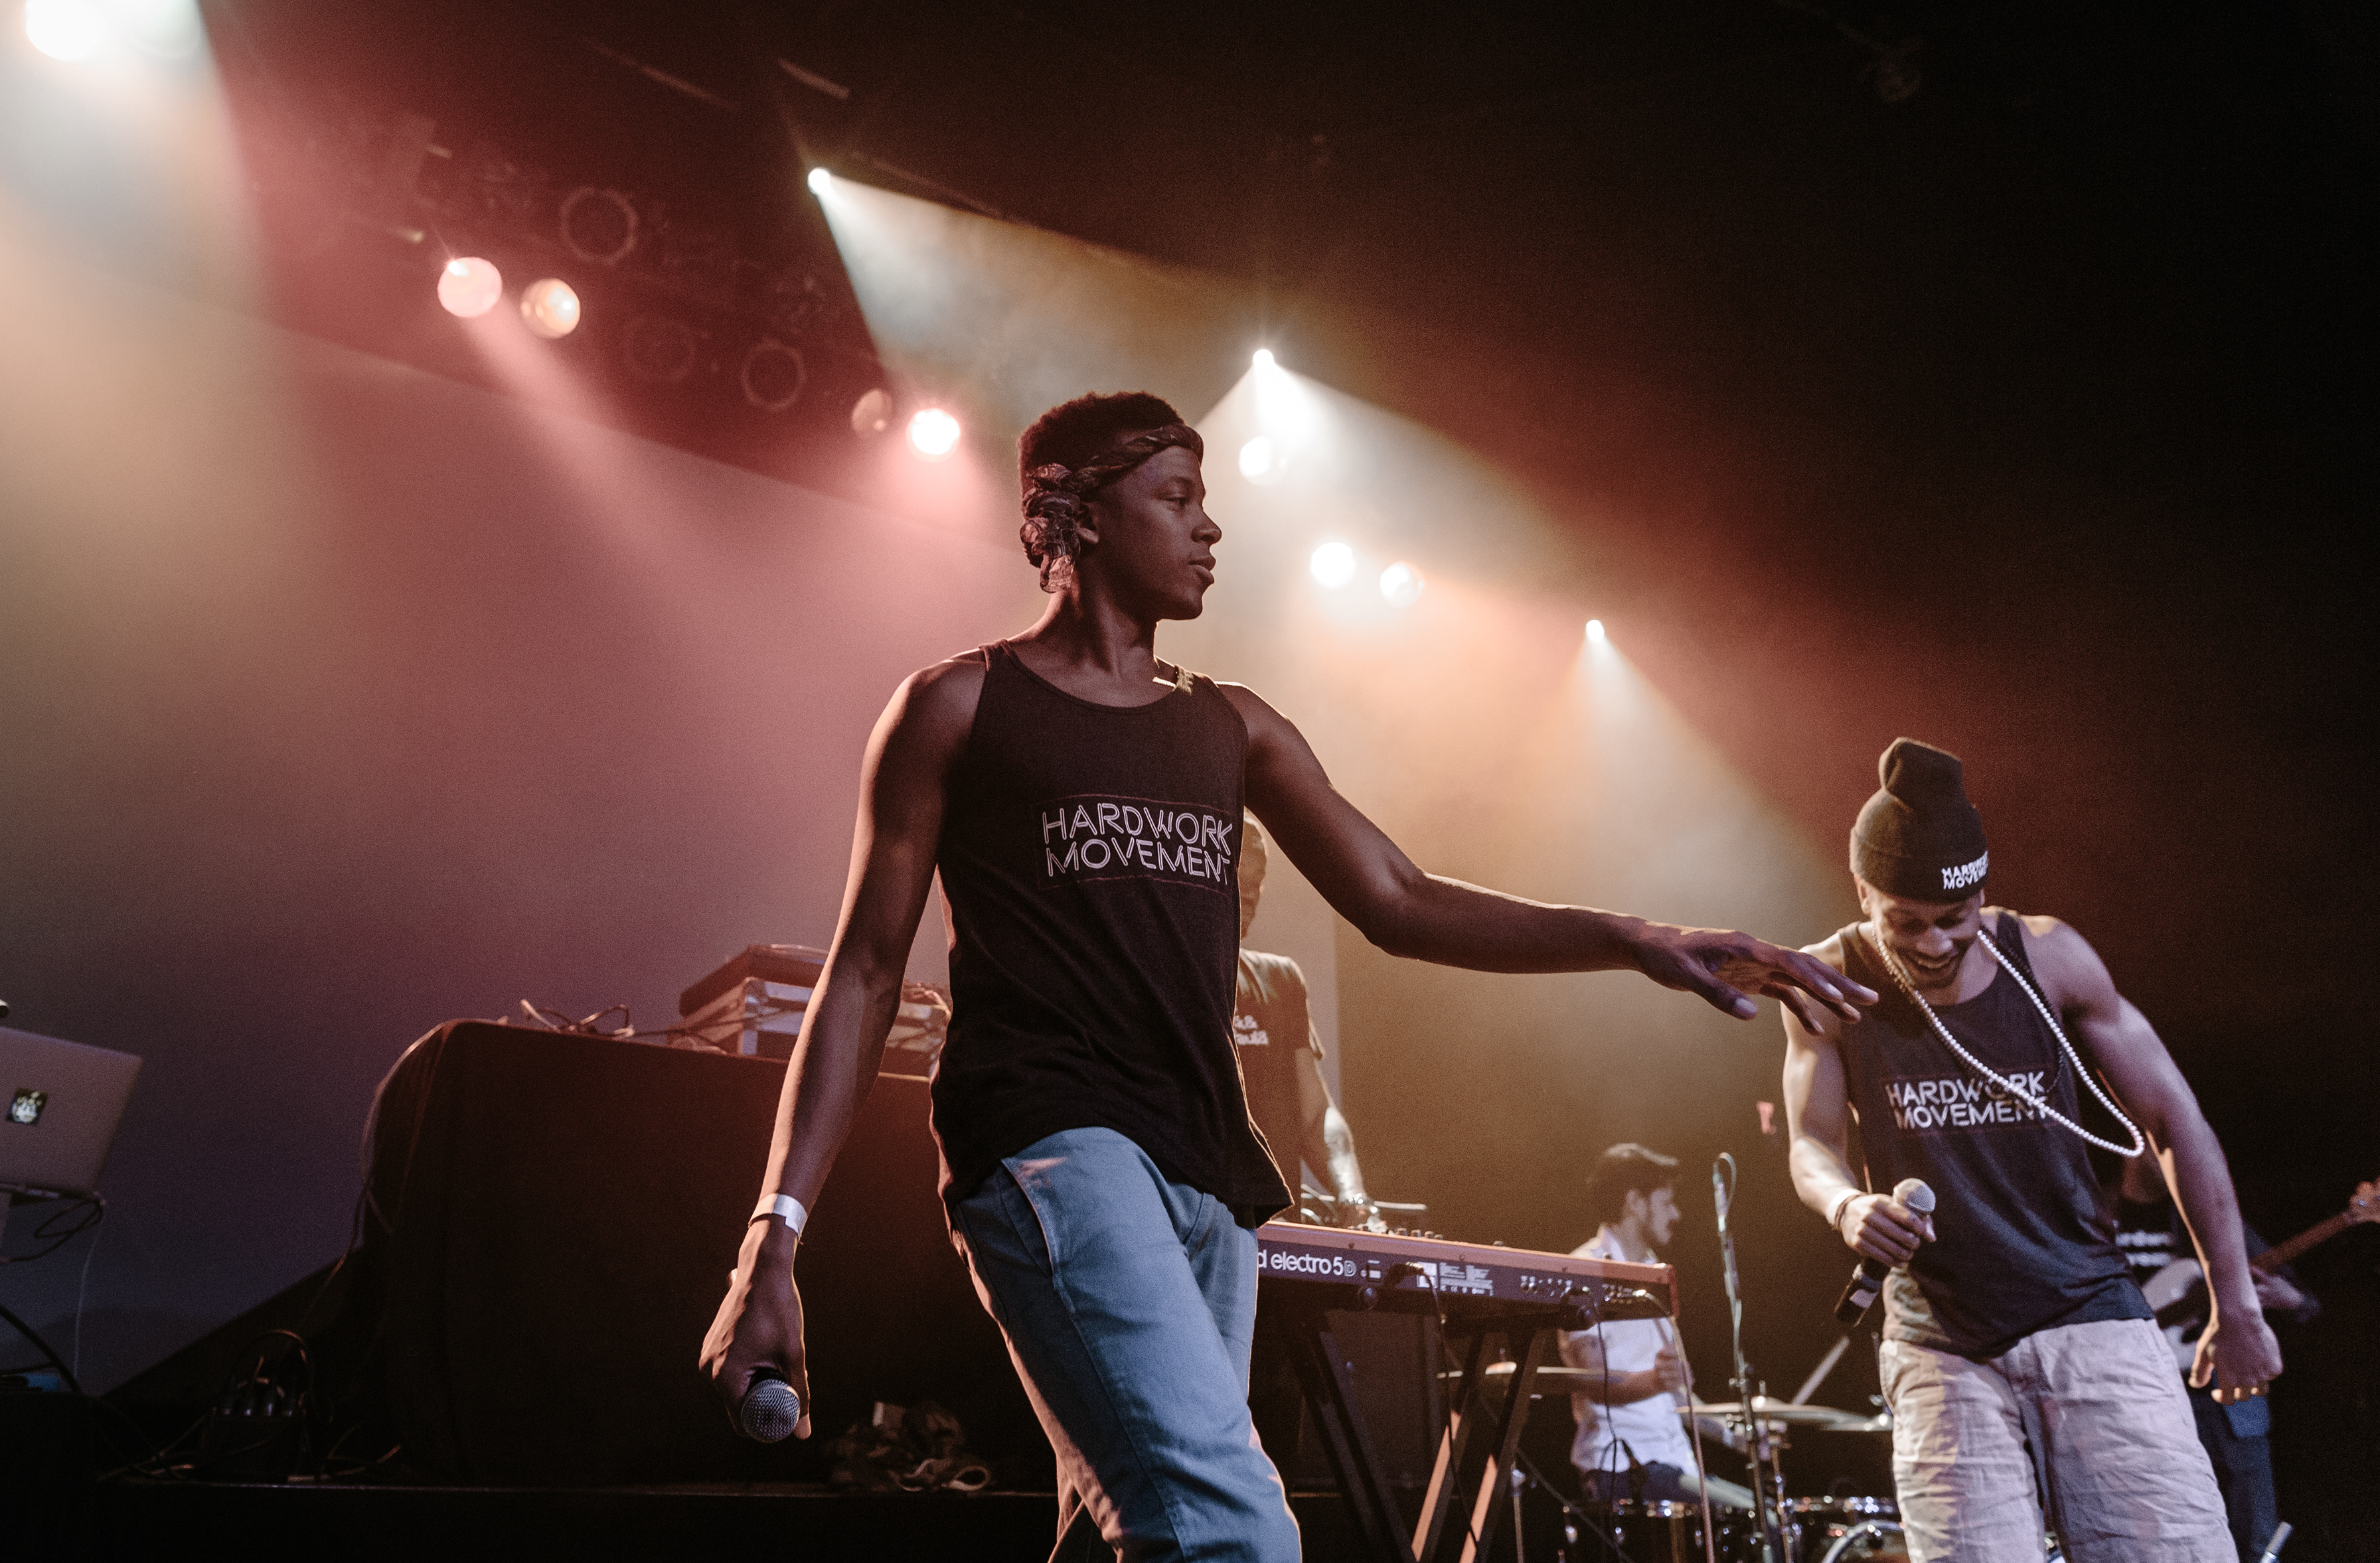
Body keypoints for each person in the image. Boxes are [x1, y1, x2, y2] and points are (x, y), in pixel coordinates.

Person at [701, 391, 1875, 1563]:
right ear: (1082, 515)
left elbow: (1400, 897)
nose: (1209, 527)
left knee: (1137, 1527)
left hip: (1207, 1174)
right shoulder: (960, 707)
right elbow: (864, 973)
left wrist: (1633, 937)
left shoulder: (1233, 728)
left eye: (1206, 500)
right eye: (1177, 498)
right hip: (1051, 1145)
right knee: (1233, 1532)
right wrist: (773, 1236)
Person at [1781, 737, 2278, 1563]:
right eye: (1907, 922)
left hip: (2090, 1314)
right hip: (1941, 1343)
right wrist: (1846, 1204)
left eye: (1955, 919)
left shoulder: (2048, 956)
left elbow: (2175, 1121)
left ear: (1981, 890)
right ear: (1863, 892)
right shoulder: (1828, 983)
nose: (1933, 943)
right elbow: (1809, 1143)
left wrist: (2238, 1306)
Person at [2112, 1148, 2317, 1562]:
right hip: (2133, 1393)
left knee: (2251, 1524)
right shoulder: (2095, 1214)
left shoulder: (2207, 1218)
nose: (2169, 1154)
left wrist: (2290, 1299)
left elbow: (2306, 1302)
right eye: (2156, 1143)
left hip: (2223, 1392)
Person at [1559, 1144, 1753, 1511]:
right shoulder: (1583, 1272)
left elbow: (1676, 1396)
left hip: (1672, 1462)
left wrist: (1739, 1436)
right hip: (1620, 1466)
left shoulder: (1654, 1274)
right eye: (1667, 1202)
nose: (1676, 1214)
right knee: (1760, 1521)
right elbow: (1594, 1382)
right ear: (1635, 1202)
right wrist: (1657, 1380)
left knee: (1768, 1514)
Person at [1231, 813, 1378, 1230]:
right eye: (1238, 873)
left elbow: (1315, 1116)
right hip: (1193, 1227)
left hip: (1278, 1234)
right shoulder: (1161, 975)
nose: (1250, 891)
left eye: (1258, 879)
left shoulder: (1280, 979)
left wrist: (1354, 1200)